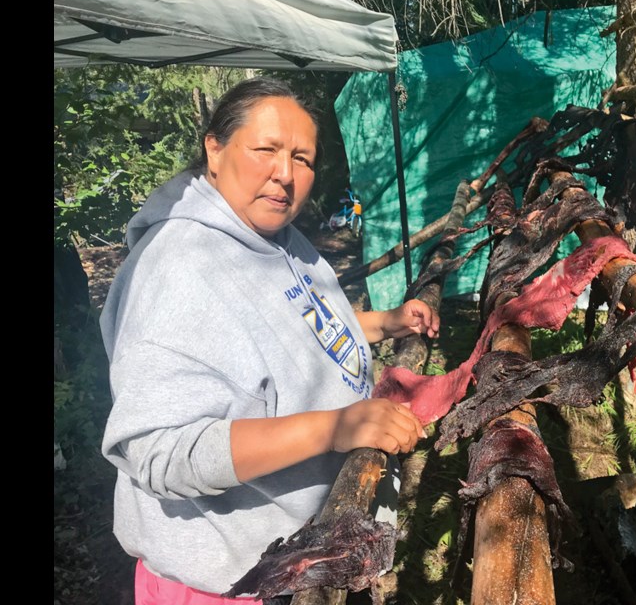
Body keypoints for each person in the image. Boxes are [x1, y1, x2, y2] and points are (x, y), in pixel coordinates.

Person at [99, 77, 439, 603]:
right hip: (229, 583)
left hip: (298, 555)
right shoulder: (179, 267)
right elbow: (162, 451)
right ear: (215, 146)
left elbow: (295, 324)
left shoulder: (275, 234)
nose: (286, 175)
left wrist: (380, 323)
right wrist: (334, 428)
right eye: (267, 150)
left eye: (303, 159)